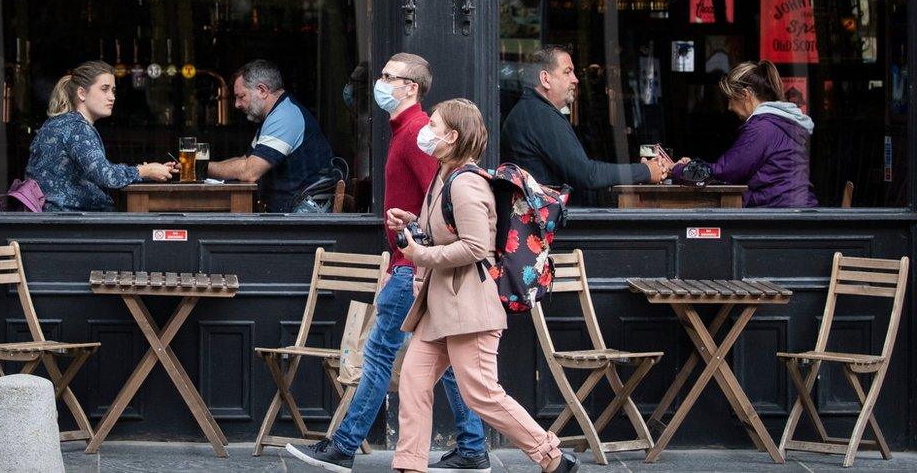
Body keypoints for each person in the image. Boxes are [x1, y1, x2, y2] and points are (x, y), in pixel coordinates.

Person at [286, 54, 491, 473]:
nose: (379, 83)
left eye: (387, 77)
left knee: (379, 353)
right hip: (412, 263)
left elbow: (442, 198)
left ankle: (343, 445)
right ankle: (472, 447)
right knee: (447, 360)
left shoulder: (417, 132)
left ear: (410, 87)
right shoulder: (407, 130)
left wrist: (409, 256)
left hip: (414, 265)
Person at [391, 99, 578, 473]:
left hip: (469, 305)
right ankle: (409, 465)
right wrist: (414, 224)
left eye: (435, 125)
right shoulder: (442, 177)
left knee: (481, 394)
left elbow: (475, 246)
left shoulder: (466, 183)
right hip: (441, 305)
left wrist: (419, 255)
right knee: (413, 382)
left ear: (453, 136)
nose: (427, 131)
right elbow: (449, 231)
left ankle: (550, 455)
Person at [500, 45, 668, 197]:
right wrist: (645, 171)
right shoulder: (540, 116)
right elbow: (588, 175)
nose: (575, 79)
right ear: (545, 79)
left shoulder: (533, 110)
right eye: (567, 72)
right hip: (545, 228)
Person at [25, 61, 176, 212]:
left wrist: (144, 170)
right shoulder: (77, 127)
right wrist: (145, 171)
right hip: (70, 224)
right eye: (105, 89)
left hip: (57, 220)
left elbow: (99, 170)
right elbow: (106, 176)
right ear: (82, 93)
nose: (112, 97)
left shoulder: (61, 123)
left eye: (113, 90)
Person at [672, 60, 818, 207]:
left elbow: (725, 173)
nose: (729, 107)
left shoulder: (762, 128)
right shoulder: (779, 123)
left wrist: (677, 170)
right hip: (793, 213)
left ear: (745, 94)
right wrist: (691, 166)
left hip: (779, 217)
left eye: (730, 98)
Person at [207, 60, 334, 212]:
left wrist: (200, 168)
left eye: (241, 96)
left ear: (262, 90)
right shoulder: (274, 115)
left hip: (300, 221)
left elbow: (249, 172)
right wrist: (201, 167)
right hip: (288, 215)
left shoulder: (285, 116)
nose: (237, 104)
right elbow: (245, 160)